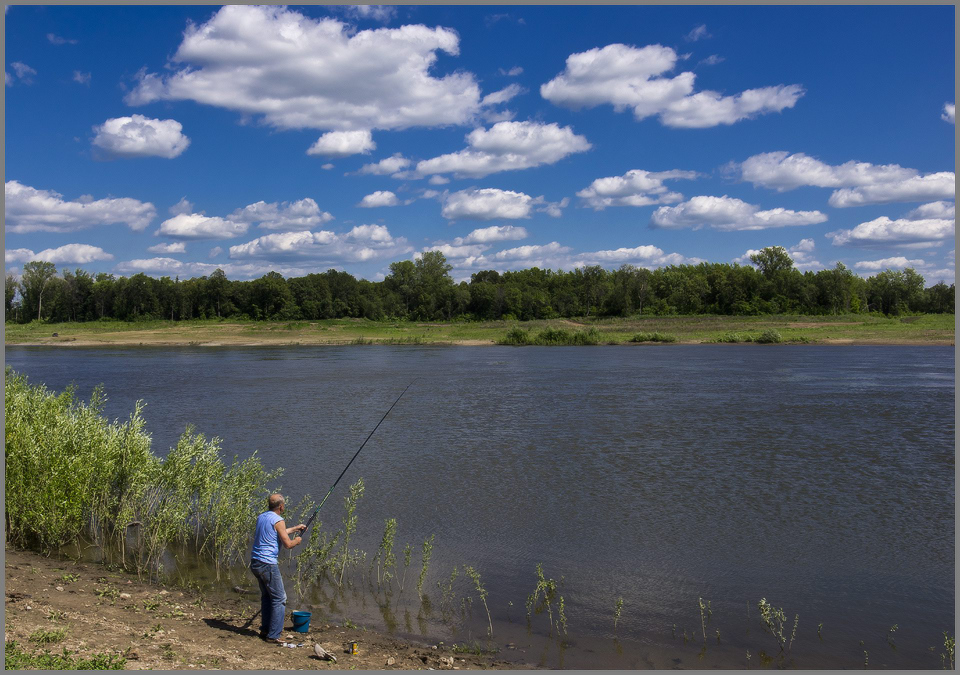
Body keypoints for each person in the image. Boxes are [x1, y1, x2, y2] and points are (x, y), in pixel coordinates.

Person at [250, 493, 305, 643]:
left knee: (267, 596)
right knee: (280, 598)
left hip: (255, 562)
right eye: (284, 505)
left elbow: (274, 533)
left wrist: (294, 528)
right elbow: (288, 544)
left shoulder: (262, 517)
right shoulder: (279, 520)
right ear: (281, 506)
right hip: (267, 564)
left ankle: (265, 630)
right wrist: (297, 541)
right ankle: (274, 635)